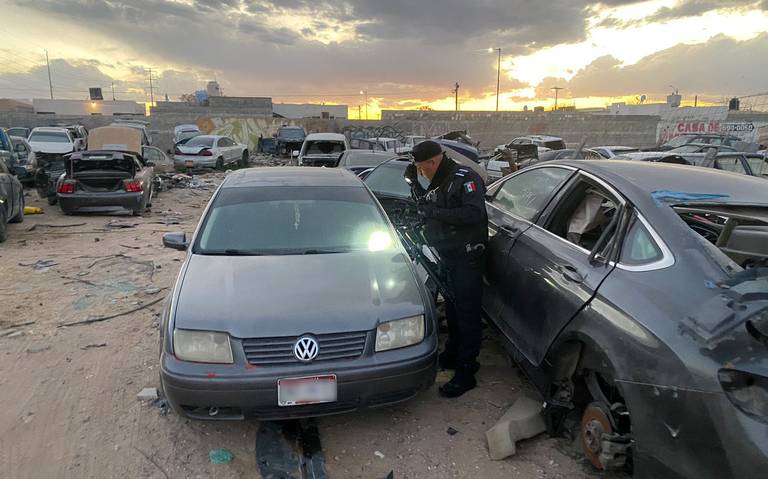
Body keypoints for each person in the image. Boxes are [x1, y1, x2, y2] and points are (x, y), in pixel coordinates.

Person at [404, 140, 488, 398]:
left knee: (467, 313)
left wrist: (436, 213)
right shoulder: (440, 179)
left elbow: (473, 214)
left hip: (467, 257)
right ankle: (452, 353)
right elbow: (428, 205)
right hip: (449, 254)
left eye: (421, 169)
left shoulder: (464, 178)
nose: (422, 173)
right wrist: (416, 186)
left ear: (432, 161)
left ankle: (467, 371)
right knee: (452, 308)